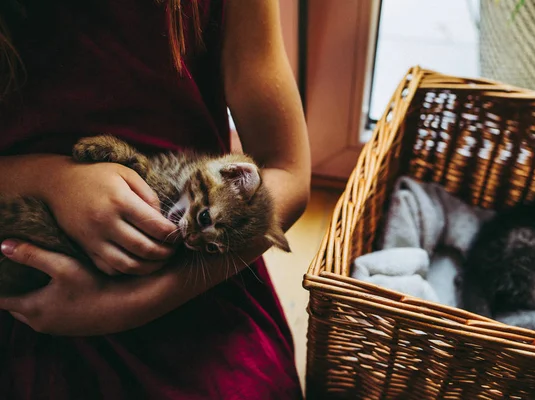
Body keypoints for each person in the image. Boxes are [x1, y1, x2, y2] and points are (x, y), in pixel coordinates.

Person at [0, 0, 310, 399]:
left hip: (189, 286)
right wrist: (43, 179)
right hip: (20, 285)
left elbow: (287, 171)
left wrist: (130, 303)